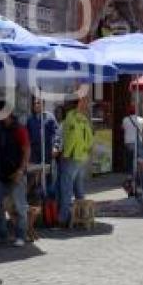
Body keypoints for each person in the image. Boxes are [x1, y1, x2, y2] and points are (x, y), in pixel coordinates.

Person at [0, 105, 31, 246]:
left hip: (16, 173)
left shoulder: (19, 129)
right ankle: (1, 234)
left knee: (19, 206)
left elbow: (26, 150)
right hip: (0, 174)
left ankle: (21, 235)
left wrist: (21, 170)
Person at [58, 96, 94, 225]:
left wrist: (66, 154)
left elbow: (71, 138)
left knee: (66, 188)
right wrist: (86, 149)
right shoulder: (83, 119)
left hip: (72, 157)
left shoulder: (69, 119)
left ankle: (64, 218)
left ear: (68, 104)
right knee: (79, 188)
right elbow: (90, 138)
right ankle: (82, 216)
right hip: (82, 157)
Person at [122, 104, 143, 178]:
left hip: (128, 142)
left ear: (128, 112)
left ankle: (130, 175)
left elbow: (123, 128)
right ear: (136, 111)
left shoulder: (125, 119)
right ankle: (139, 175)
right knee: (139, 159)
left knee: (129, 159)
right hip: (138, 141)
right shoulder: (141, 119)